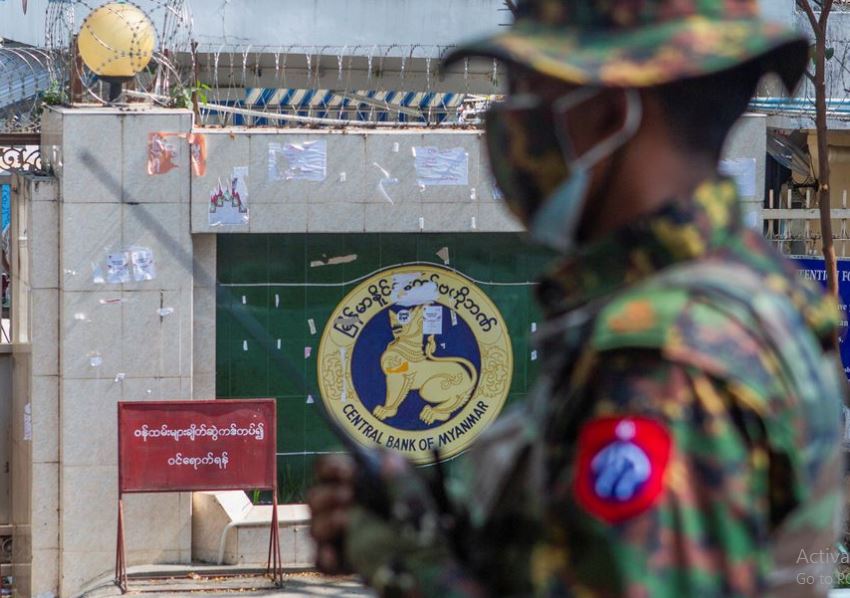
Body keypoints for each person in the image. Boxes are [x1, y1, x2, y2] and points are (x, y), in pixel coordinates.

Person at [308, 1, 848, 595]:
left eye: (526, 91)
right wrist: (432, 505)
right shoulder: (752, 291)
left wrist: (396, 558)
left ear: (610, 113)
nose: (505, 122)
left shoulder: (665, 358)